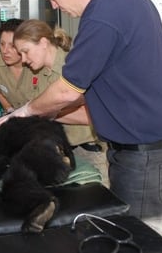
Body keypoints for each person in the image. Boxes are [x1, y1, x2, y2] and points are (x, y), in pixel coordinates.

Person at [0, 0, 162, 236]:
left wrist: (25, 112)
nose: (53, 5)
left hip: (147, 161)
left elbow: (67, 91)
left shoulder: (105, 11)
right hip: (142, 156)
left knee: (140, 242)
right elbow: (91, 95)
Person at [13, 19, 109, 187]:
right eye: (20, 54)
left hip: (88, 153)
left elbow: (93, 115)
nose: (23, 59)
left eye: (26, 51)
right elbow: (24, 102)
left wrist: (47, 113)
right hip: (55, 155)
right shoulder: (32, 71)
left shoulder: (75, 67)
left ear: (43, 43)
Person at [0, 18, 34, 113]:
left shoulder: (37, 64)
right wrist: (9, 110)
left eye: (12, 46)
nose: (5, 51)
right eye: (2, 44)